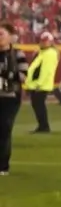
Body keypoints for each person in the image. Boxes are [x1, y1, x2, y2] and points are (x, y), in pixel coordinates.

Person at [23, 29, 57, 133]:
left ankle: (44, 126)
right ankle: (42, 126)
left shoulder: (49, 53)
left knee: (39, 105)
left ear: (50, 42)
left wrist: (39, 84)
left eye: (45, 41)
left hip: (41, 85)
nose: (43, 42)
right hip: (37, 84)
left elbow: (46, 71)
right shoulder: (43, 52)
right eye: (42, 41)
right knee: (37, 105)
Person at [0, 24, 21, 176]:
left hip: (10, 97)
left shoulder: (16, 54)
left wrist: (9, 77)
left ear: (9, 37)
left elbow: (24, 75)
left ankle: (3, 165)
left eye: (1, 34)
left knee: (4, 129)